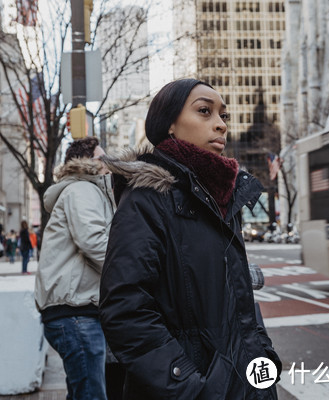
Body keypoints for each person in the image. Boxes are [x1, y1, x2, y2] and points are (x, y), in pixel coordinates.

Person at [99, 79, 282, 399]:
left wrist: (263, 358)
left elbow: (240, 304)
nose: (220, 125)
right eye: (204, 111)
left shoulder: (222, 197)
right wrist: (190, 387)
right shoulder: (146, 199)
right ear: (168, 124)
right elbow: (125, 310)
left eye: (224, 116)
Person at [34, 137, 115, 400]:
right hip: (76, 313)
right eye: (102, 158)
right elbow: (93, 241)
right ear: (86, 162)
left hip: (73, 313)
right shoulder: (82, 190)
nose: (108, 164)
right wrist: (129, 273)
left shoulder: (82, 191)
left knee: (81, 392)